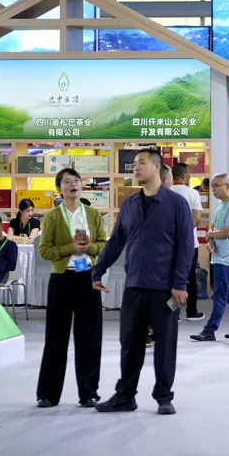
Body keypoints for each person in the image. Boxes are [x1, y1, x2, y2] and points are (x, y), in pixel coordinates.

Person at [91, 148, 195, 415]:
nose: (135, 167)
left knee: (165, 344)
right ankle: (125, 396)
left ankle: (164, 396)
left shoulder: (176, 204)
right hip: (135, 285)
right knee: (130, 343)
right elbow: (117, 240)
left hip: (165, 288)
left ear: (157, 167)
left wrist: (180, 283)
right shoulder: (130, 204)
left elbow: (185, 246)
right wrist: (98, 270)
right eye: (134, 164)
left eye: (141, 163)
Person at [36, 168, 106, 408]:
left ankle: (89, 393)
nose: (73, 184)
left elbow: (102, 245)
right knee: (56, 336)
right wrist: (70, 249)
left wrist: (89, 248)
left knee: (89, 337)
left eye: (76, 180)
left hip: (88, 278)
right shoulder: (52, 217)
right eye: (67, 181)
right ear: (60, 189)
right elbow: (44, 251)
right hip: (62, 279)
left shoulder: (93, 214)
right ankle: (48, 393)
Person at [191, 173, 229, 342]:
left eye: (216, 186)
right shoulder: (220, 205)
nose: (213, 189)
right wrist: (210, 239)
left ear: (228, 186)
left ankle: (209, 330)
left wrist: (210, 235)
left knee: (219, 295)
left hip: (227, 257)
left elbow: (227, 231)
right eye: (212, 186)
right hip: (219, 256)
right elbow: (214, 227)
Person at [164, 162, 204, 321]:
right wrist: (184, 232)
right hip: (190, 243)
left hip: (169, 242)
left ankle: (173, 313)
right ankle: (191, 311)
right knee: (190, 276)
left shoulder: (166, 192)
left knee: (170, 276)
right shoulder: (193, 193)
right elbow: (197, 218)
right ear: (185, 176)